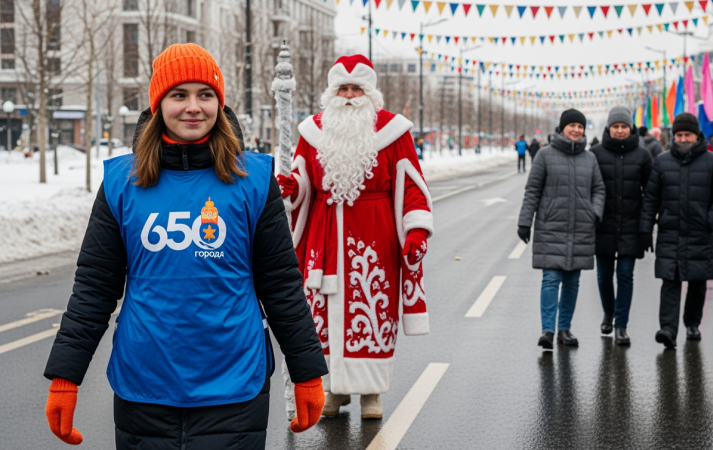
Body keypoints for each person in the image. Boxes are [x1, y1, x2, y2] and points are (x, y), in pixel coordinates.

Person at [42, 44, 328, 449]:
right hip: (144, 385)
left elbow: (280, 284)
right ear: (159, 104)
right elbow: (94, 288)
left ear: (219, 103)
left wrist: (307, 372)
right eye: (179, 95)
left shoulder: (254, 180)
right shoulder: (121, 183)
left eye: (205, 95)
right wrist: (65, 377)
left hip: (235, 386)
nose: (193, 107)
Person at [276, 55, 432, 420]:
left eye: (356, 89)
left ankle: (371, 392)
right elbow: (302, 182)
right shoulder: (312, 131)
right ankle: (333, 389)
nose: (348, 96)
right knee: (321, 318)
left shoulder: (393, 131)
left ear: (369, 93)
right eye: (342, 89)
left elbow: (411, 186)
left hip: (375, 241)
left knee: (373, 311)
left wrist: (416, 230)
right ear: (331, 93)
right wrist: (290, 187)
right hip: (323, 237)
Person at [640, 113, 713, 349]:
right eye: (678, 135)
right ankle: (668, 329)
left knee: (697, 282)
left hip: (701, 233)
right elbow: (650, 198)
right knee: (670, 281)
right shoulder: (662, 161)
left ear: (696, 135)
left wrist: (709, 221)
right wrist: (646, 229)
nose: (682, 139)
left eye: (687, 134)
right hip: (670, 233)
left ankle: (692, 323)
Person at [518, 109, 605, 349]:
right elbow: (532, 190)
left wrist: (594, 212)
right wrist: (525, 221)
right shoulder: (545, 155)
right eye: (572, 125)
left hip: (581, 227)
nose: (576, 129)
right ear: (562, 127)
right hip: (551, 226)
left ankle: (564, 329)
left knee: (572, 281)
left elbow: (599, 189)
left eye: (580, 126)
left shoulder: (590, 159)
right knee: (550, 278)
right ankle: (547, 329)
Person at [590, 106, 652, 346]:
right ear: (608, 128)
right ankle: (609, 311)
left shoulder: (643, 155)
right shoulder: (594, 153)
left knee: (625, 275)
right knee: (604, 277)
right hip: (603, 225)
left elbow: (650, 193)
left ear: (630, 128)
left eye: (623, 127)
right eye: (615, 126)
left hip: (631, 226)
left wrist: (646, 226)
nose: (619, 130)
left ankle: (621, 325)